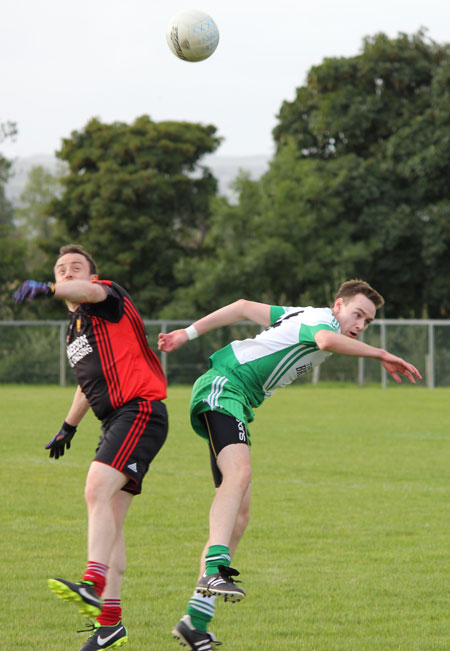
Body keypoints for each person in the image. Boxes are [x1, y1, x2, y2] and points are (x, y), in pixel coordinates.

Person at [158, 280, 422, 650]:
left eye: (368, 321)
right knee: (240, 473)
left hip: (237, 400)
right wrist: (380, 353)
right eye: (357, 314)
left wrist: (186, 333)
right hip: (224, 386)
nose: (361, 324)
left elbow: (241, 306)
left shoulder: (298, 315)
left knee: (240, 515)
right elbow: (327, 342)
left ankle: (195, 620)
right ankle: (215, 569)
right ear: (339, 305)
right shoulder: (322, 322)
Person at [13, 244, 168, 651]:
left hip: (140, 411)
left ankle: (92, 585)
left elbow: (93, 293)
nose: (67, 273)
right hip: (115, 419)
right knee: (111, 521)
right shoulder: (76, 328)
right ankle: (111, 623)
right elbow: (89, 383)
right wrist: (68, 427)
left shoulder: (105, 295)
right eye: (60, 269)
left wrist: (49, 287)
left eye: (75, 268)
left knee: (95, 487)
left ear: (91, 275)